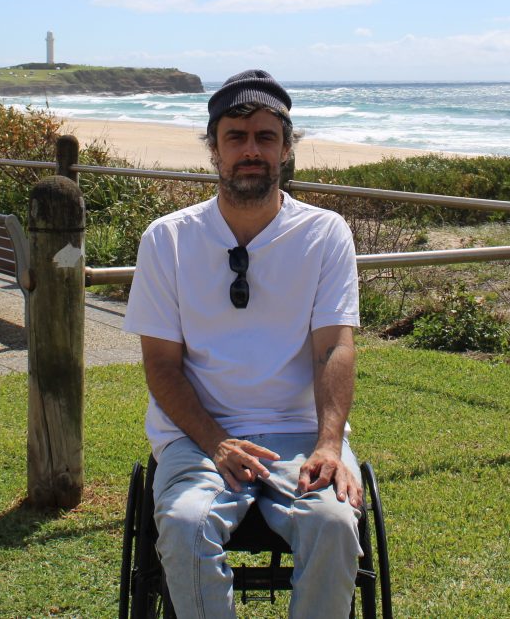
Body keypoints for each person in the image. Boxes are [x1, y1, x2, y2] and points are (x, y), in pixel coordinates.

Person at [124, 69, 362, 618]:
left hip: (301, 434)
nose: (250, 150)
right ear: (214, 149)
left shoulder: (325, 233)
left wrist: (329, 445)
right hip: (198, 436)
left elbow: (333, 347)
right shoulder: (168, 239)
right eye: (235, 137)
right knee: (183, 528)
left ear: (285, 149)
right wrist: (215, 442)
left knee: (333, 523)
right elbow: (161, 365)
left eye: (265, 137)